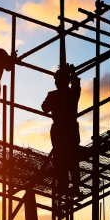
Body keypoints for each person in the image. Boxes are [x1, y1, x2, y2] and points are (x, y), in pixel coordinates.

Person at [42, 64, 81, 199]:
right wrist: (73, 74)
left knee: (61, 159)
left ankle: (64, 186)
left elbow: (44, 107)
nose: (56, 82)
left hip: (60, 129)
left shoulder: (54, 95)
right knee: (71, 158)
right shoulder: (72, 94)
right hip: (70, 129)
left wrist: (72, 75)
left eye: (57, 80)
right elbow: (76, 85)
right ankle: (73, 186)